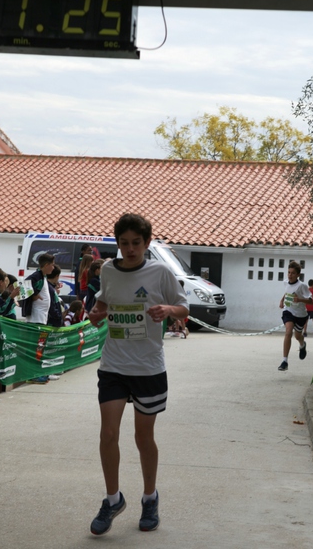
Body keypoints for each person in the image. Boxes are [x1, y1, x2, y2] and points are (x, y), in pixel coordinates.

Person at [88, 213, 188, 536]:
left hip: (148, 368)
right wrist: (96, 314)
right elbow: (104, 304)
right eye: (124, 243)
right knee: (108, 434)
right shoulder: (107, 270)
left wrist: (168, 310)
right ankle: (113, 499)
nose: (130, 249)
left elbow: (183, 307)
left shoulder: (160, 272)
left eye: (136, 243)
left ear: (147, 243)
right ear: (117, 243)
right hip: (114, 365)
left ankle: (150, 498)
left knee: (143, 438)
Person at [278, 261, 313, 372]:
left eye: (293, 273)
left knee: (297, 336)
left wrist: (300, 300)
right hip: (288, 310)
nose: (290, 275)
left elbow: (311, 301)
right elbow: (287, 291)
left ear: (298, 274)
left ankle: (302, 344)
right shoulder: (285, 282)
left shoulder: (302, 286)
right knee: (288, 332)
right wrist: (282, 300)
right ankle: (284, 361)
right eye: (289, 272)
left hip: (300, 315)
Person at [21, 253, 56, 325]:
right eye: (52, 265)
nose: (53, 268)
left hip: (41, 317)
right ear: (46, 265)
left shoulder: (43, 276)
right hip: (35, 317)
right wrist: (34, 294)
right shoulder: (37, 275)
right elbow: (23, 284)